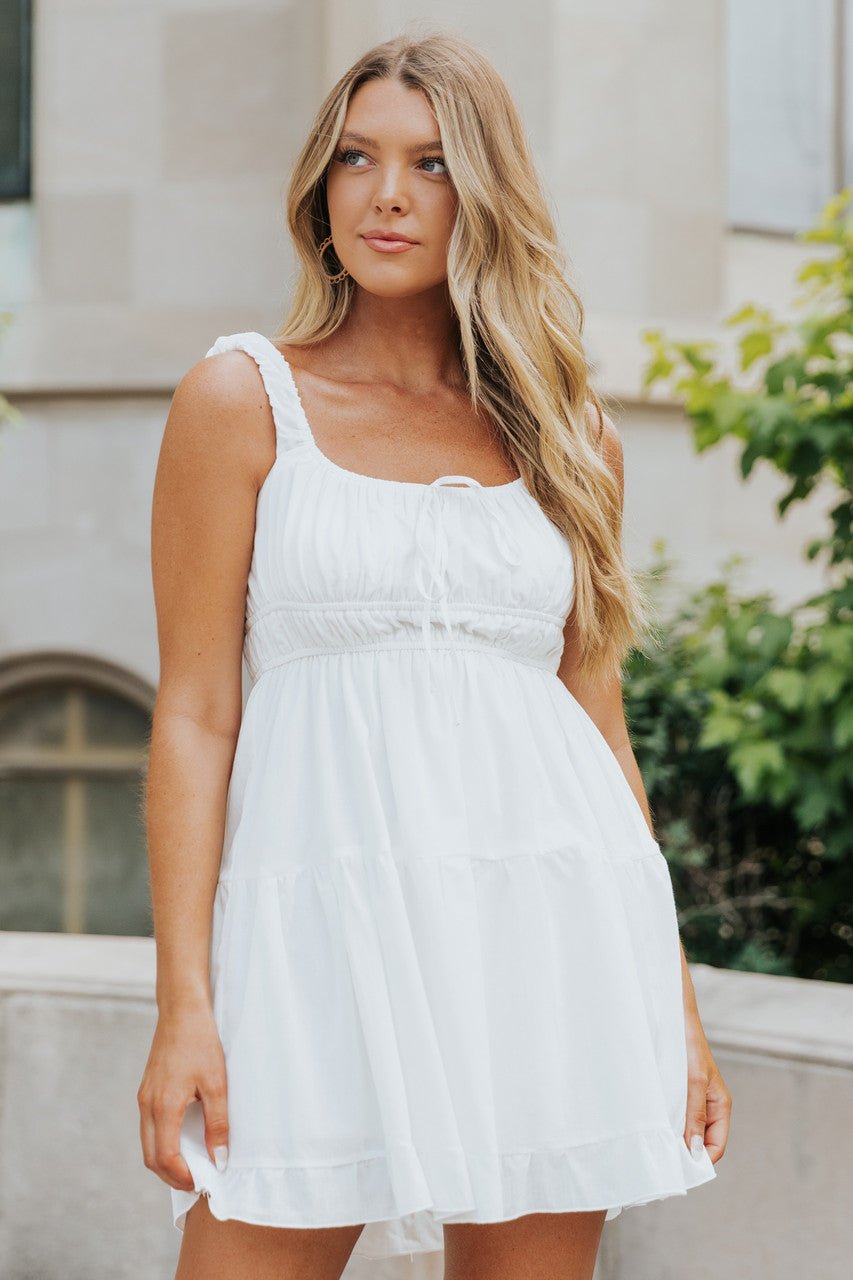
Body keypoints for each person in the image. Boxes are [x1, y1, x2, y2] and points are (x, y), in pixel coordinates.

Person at [137, 30, 731, 1280]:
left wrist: (673, 1002)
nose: (387, 194)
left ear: (486, 193)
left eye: (430, 162)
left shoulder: (568, 436)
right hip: (311, 949)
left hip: (554, 939)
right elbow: (194, 715)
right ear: (320, 188)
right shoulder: (243, 398)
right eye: (355, 158)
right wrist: (185, 1002)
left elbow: (598, 730)